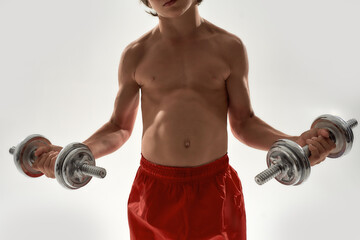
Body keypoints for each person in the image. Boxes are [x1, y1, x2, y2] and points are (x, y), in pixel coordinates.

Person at [32, 0, 335, 239]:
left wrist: (295, 142)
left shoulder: (229, 48)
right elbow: (119, 127)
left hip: (215, 188)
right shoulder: (136, 55)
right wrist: (73, 153)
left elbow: (244, 122)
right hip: (154, 191)